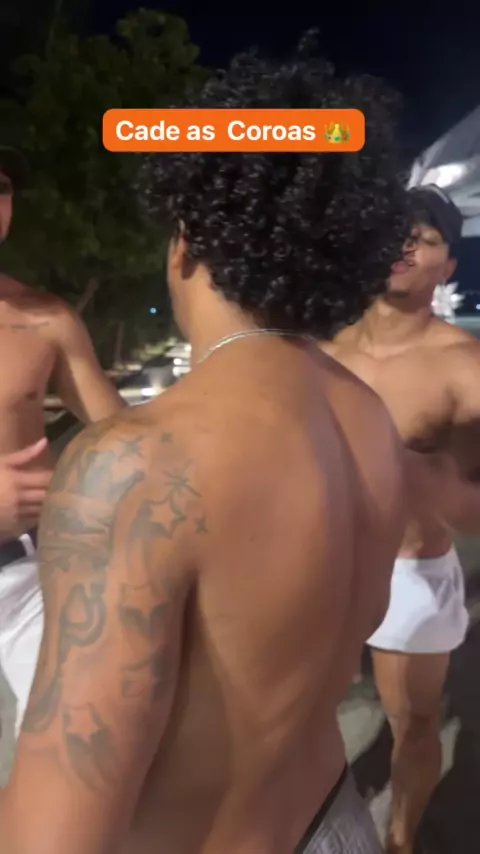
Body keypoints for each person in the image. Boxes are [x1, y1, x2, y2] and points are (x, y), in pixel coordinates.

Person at [0, 38, 409, 854]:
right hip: (333, 824)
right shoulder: (367, 416)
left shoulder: (135, 464)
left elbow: (55, 836)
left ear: (186, 240)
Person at [322, 184, 480, 854]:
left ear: (448, 267)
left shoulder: (463, 367)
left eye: (427, 239)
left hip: (411, 574)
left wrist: (433, 486)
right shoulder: (323, 353)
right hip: (322, 568)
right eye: (397, 232)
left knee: (412, 726)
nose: (406, 245)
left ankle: (401, 840)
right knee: (289, 719)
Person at [0, 168, 125, 738]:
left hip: (30, 572)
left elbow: (127, 439)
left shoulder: (46, 319)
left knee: (70, 744)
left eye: (1, 186)